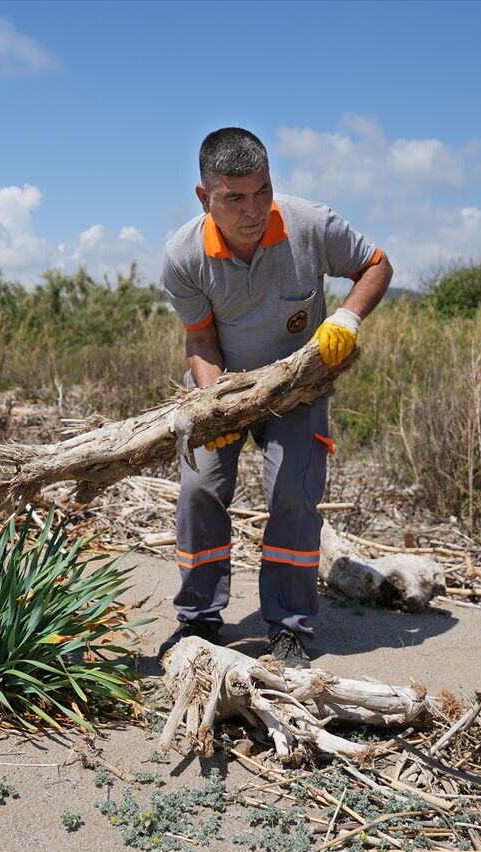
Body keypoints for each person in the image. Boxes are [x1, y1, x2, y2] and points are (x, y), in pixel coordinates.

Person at [159, 127, 392, 667]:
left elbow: (377, 264)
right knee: (199, 491)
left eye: (262, 190)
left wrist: (348, 318)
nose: (254, 209)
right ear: (204, 197)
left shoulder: (311, 224)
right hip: (222, 382)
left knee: (293, 493)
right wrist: (216, 405)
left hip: (298, 388)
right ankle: (198, 622)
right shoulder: (183, 255)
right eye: (234, 198)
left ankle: (288, 630)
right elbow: (201, 340)